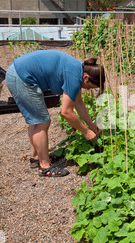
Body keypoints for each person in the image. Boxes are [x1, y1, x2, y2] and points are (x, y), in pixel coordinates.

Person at [5, 49, 105, 177]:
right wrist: (86, 132)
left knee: (35, 121)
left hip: (18, 72)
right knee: (41, 122)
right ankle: (45, 166)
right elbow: (66, 112)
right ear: (86, 78)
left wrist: (91, 125)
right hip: (22, 77)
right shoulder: (74, 76)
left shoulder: (78, 69)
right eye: (90, 87)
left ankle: (36, 157)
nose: (88, 89)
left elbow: (78, 102)